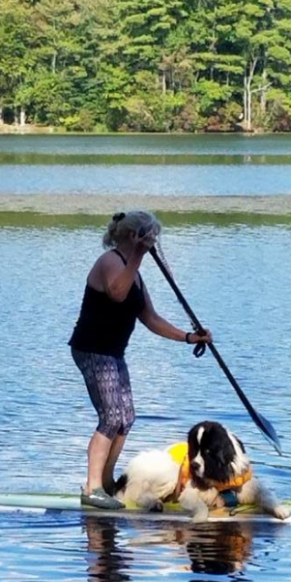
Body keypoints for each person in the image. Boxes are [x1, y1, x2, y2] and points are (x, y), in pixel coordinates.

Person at [69, 211, 212, 510]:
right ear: (132, 236)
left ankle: (106, 484)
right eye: (148, 237)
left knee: (126, 417)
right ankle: (91, 488)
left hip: (113, 352)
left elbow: (150, 318)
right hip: (92, 349)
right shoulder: (110, 262)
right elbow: (117, 293)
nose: (153, 243)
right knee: (110, 417)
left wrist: (189, 337)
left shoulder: (136, 274)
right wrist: (137, 255)